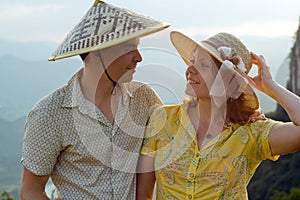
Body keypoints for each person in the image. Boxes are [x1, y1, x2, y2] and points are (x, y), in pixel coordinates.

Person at [20, 1, 170, 199]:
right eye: (129, 48)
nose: (139, 57)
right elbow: (31, 190)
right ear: (98, 51)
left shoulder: (144, 98)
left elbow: (181, 129)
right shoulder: (49, 113)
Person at [136, 31, 300, 199]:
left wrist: (271, 86)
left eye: (204, 65)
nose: (190, 69)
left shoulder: (252, 133)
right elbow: (143, 194)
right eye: (192, 62)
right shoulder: (162, 119)